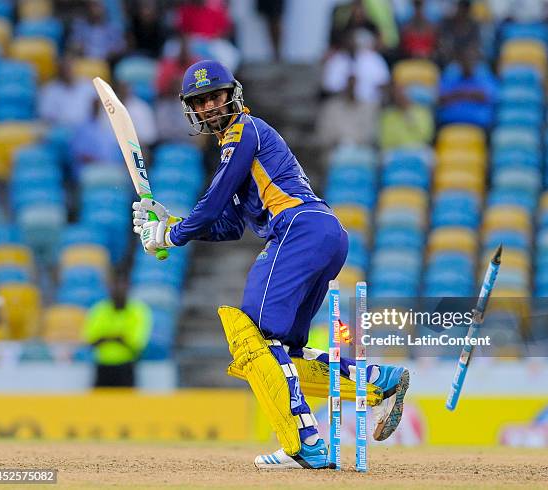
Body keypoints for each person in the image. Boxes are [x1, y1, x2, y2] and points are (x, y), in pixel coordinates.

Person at [131, 60, 410, 469]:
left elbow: (212, 202)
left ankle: (304, 441)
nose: (209, 106)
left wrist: (171, 234)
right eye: (200, 101)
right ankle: (377, 381)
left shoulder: (245, 130)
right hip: (323, 234)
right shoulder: (239, 147)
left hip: (299, 229)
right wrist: (171, 223)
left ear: (233, 94)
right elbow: (226, 226)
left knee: (254, 334)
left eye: (215, 96)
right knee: (285, 351)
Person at [82, 275, 152, 388]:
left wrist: (107, 338)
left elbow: (136, 343)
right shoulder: (99, 310)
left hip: (126, 366)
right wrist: (118, 338)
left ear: (128, 289)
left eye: (122, 287)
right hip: (102, 365)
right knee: (101, 403)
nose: (118, 290)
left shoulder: (138, 311)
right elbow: (91, 340)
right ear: (109, 289)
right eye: (115, 287)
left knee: (126, 403)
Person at [437, 46, 497, 130]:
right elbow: (440, 98)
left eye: (471, 59)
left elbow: (487, 97)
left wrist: (458, 94)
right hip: (449, 122)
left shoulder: (485, 75)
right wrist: (470, 94)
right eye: (465, 59)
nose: (468, 63)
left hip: (479, 124)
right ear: (459, 62)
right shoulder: (449, 76)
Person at [316, 75, 377, 151]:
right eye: (349, 83)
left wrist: (354, 144)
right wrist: (340, 143)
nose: (351, 87)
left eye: (354, 84)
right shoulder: (330, 108)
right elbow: (324, 136)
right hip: (335, 152)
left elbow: (370, 135)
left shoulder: (369, 108)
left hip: (362, 153)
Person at [38, 55, 97, 126]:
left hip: (87, 129)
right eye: (65, 68)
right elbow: (46, 119)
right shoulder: (49, 90)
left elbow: (97, 112)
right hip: (61, 131)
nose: (67, 70)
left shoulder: (87, 86)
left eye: (69, 67)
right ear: (59, 69)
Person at [379, 81, 434, 150]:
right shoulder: (388, 115)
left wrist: (409, 117)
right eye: (398, 95)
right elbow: (385, 140)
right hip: (395, 150)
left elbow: (426, 136)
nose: (400, 98)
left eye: (403, 95)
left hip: (418, 148)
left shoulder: (422, 112)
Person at [437, 0, 481, 66]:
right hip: (449, 60)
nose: (463, 11)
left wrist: (465, 57)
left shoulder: (474, 26)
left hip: (468, 61)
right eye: (461, 8)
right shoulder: (446, 23)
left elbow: (474, 46)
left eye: (466, 9)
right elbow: (443, 44)